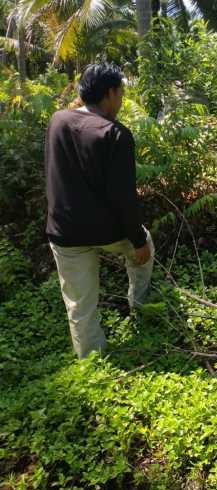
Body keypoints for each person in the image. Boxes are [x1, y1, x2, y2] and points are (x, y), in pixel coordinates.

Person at [45, 63, 154, 359]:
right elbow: (124, 198)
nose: (120, 100)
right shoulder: (116, 134)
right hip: (107, 230)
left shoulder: (57, 121)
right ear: (109, 94)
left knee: (80, 305)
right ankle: (141, 307)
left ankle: (92, 362)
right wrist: (138, 240)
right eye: (120, 94)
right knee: (145, 250)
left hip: (64, 231)